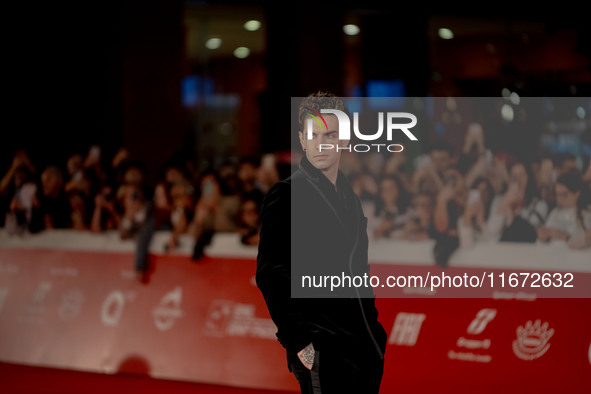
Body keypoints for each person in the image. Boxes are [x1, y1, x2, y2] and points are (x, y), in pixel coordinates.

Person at [256, 92, 387, 393]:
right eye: (313, 134)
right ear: (302, 139)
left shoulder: (349, 196)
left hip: (364, 344)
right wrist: (299, 340)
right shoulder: (287, 194)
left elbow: (359, 268)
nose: (322, 142)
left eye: (330, 134)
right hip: (321, 347)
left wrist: (373, 330)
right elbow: (271, 274)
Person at [537, 171, 591, 244]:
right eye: (557, 194)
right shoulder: (554, 212)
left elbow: (586, 240)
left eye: (564, 195)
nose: (559, 199)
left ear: (577, 193)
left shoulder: (587, 213)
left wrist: (564, 236)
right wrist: (543, 237)